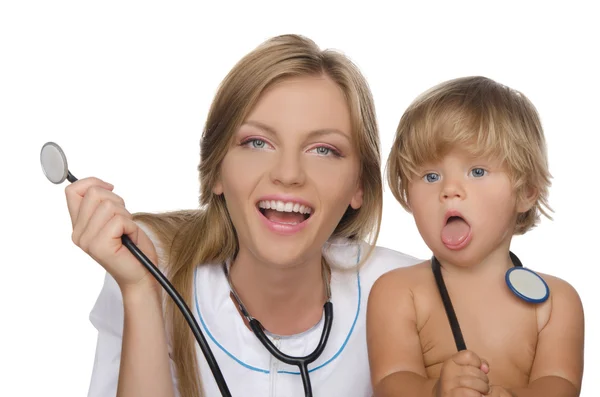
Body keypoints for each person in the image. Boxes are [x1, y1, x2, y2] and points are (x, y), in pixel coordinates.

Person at [65, 34, 421, 397]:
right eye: (257, 143)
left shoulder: (412, 292)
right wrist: (141, 292)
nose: (288, 173)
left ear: (359, 185)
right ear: (217, 169)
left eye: (324, 150)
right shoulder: (150, 268)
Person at [367, 76, 585, 397]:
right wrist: (436, 390)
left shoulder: (556, 302)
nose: (449, 190)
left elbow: (560, 384)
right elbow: (391, 381)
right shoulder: (398, 293)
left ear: (525, 191)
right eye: (431, 176)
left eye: (477, 172)